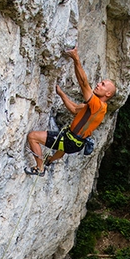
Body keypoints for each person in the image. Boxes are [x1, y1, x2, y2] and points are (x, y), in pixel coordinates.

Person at [25, 47, 116, 175]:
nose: (98, 85)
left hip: (70, 140)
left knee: (32, 137)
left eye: (102, 85)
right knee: (62, 146)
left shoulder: (98, 105)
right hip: (75, 143)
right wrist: (61, 94)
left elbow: (84, 83)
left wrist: (76, 59)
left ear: (108, 93)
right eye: (100, 82)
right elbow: (74, 109)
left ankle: (39, 168)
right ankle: (50, 160)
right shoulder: (96, 108)